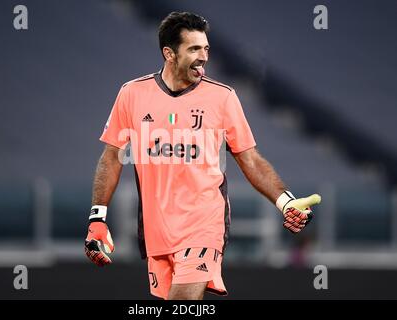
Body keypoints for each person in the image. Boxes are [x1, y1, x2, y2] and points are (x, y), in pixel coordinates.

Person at [84, 11, 321, 300]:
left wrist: (285, 202)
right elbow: (111, 157)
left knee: (182, 302)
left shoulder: (222, 98)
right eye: (194, 48)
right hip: (156, 233)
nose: (204, 56)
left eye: (206, 48)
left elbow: (250, 159)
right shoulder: (132, 94)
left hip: (203, 226)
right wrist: (97, 218)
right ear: (169, 54)